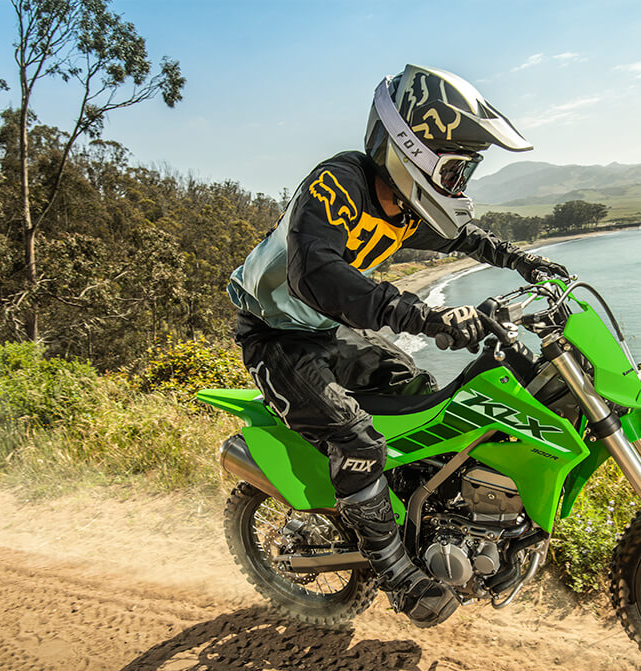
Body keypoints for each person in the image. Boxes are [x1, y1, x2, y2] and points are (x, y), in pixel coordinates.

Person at [227, 64, 568, 627]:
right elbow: (316, 273)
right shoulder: (339, 184)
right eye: (454, 170)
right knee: (355, 436)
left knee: (422, 402)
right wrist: (423, 314)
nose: (459, 185)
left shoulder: (408, 209)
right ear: (411, 152)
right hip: (276, 337)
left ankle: (426, 520)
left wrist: (522, 260)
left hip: (332, 331)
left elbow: (461, 236)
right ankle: (394, 572)